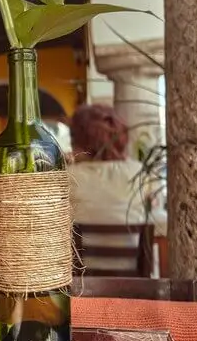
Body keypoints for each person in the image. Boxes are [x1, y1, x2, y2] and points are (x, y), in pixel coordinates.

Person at [68, 104, 167, 275]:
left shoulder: (68, 177)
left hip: (81, 281)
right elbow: (158, 223)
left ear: (78, 141)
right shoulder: (140, 173)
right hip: (132, 278)